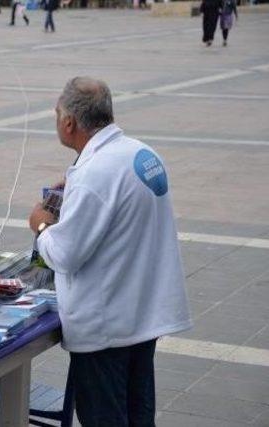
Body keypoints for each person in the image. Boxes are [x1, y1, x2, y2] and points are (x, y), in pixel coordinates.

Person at [28, 77, 192, 427]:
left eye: (58, 114)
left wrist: (42, 225)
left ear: (69, 122)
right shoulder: (142, 154)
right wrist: (75, 190)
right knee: (137, 415)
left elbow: (66, 254)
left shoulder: (95, 174)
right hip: (140, 316)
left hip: (106, 327)